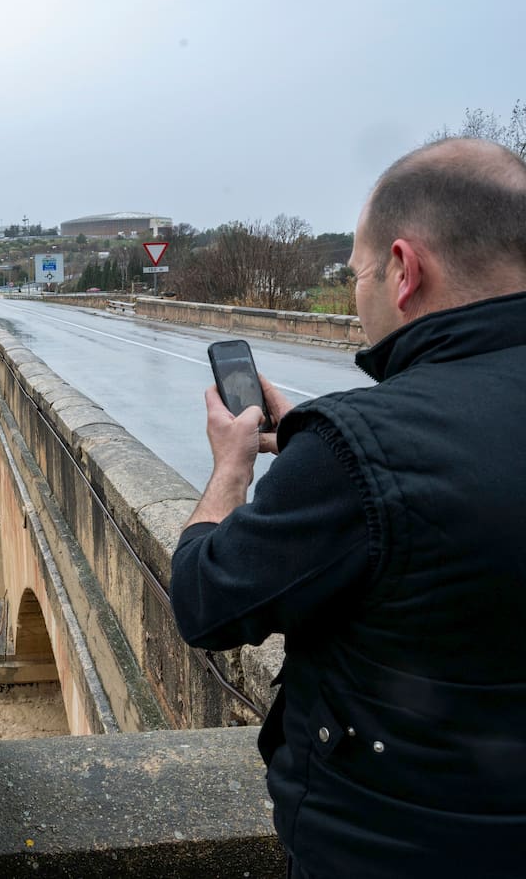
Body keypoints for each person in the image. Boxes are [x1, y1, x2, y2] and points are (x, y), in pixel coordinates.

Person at [170, 137, 526, 879]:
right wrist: (322, 437)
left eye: (358, 273)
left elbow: (206, 605)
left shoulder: (351, 457)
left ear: (404, 269)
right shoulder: (350, 451)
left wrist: (233, 468)